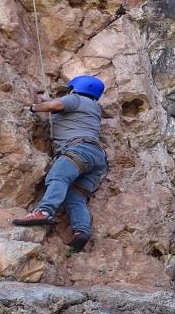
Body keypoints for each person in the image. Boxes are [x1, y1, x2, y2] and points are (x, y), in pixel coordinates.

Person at [13, 75, 108, 252]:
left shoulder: (76, 99)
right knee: (75, 197)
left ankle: (44, 211)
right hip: (97, 159)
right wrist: (47, 99)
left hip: (78, 150)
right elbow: (59, 106)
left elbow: (56, 105)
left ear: (76, 88)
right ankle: (82, 231)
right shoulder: (94, 107)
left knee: (58, 176)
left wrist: (34, 107)